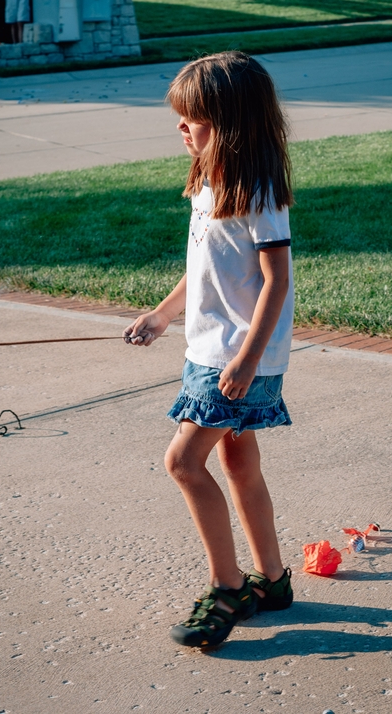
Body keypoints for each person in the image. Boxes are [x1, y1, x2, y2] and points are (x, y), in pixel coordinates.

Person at [123, 51, 295, 649]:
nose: (181, 127)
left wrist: (248, 359)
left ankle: (229, 588)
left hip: (237, 359)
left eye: (192, 119)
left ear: (229, 123)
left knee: (183, 463)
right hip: (212, 352)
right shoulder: (211, 184)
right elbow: (202, 272)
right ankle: (271, 580)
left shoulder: (260, 191)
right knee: (237, 462)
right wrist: (161, 316)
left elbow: (277, 279)